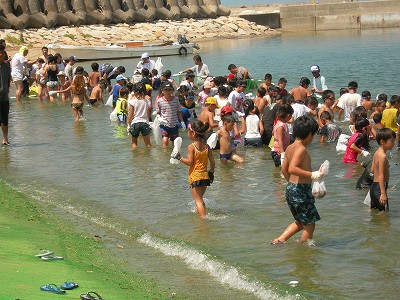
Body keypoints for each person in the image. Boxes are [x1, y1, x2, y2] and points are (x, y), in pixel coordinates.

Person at [271, 115, 321, 244]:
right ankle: (302, 250)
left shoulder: (290, 147)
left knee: (300, 221)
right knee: (310, 224)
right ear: (309, 134)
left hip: (291, 189)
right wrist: (313, 175)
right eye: (313, 135)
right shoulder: (301, 149)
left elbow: (284, 169)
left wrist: (291, 184)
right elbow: (293, 168)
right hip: (301, 191)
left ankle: (280, 240)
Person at [171, 119, 215, 219]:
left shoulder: (192, 147)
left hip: (195, 177)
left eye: (188, 131)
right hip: (205, 176)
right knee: (200, 199)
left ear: (193, 133)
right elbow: (212, 161)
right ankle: (201, 215)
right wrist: (211, 173)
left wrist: (179, 157)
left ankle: (203, 220)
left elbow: (190, 163)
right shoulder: (207, 146)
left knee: (198, 200)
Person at [369, 128, 395, 211]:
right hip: (380, 189)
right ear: (382, 142)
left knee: (376, 214)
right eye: (391, 141)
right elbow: (381, 175)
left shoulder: (377, 152)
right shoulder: (383, 156)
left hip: (373, 188)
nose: (393, 144)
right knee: (384, 218)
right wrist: (383, 193)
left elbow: (372, 170)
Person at [156, 82, 185, 149]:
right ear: (162, 91)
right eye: (166, 90)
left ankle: (172, 154)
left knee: (174, 142)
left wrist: (182, 121)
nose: (168, 91)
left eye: (169, 89)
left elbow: (179, 111)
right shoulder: (159, 101)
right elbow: (158, 112)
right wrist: (159, 118)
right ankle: (165, 154)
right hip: (164, 124)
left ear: (172, 90)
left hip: (174, 124)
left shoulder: (175, 99)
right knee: (165, 140)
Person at [128, 82, 153, 149]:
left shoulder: (132, 101)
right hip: (145, 122)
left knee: (134, 143)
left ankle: (136, 158)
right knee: (148, 144)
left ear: (135, 91)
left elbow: (130, 115)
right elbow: (149, 112)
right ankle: (148, 157)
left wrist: (129, 124)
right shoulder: (147, 100)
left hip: (135, 123)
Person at [0, 49, 11, 145]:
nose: (3, 55)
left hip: (4, 97)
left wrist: (7, 90)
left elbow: (8, 80)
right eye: (2, 53)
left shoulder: (6, 66)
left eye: (4, 53)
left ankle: (5, 139)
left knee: (5, 119)